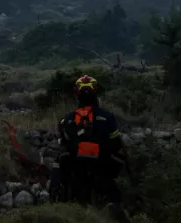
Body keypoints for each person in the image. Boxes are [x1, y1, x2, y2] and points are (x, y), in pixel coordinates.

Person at [51, 74, 130, 222]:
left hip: (76, 174)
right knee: (115, 206)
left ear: (77, 95)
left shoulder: (66, 119)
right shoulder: (108, 117)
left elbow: (64, 145)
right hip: (103, 171)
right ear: (96, 93)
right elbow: (116, 144)